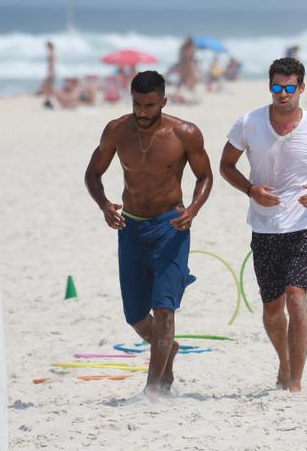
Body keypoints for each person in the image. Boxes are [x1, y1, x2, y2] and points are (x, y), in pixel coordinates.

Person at [84, 70, 213, 396]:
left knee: (165, 309)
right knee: (137, 318)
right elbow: (93, 172)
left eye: (150, 105)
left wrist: (193, 208)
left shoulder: (185, 133)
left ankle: (154, 387)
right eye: (137, 104)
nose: (142, 112)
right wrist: (103, 204)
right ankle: (168, 348)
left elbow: (205, 176)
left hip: (170, 227)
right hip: (131, 227)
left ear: (163, 101)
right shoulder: (116, 130)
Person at [219, 57, 307, 393]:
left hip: (303, 225)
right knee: (273, 310)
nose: (282, 94)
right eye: (276, 87)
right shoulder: (249, 123)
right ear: (269, 87)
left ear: (301, 88)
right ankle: (283, 364)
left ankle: (296, 381)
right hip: (264, 227)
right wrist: (251, 189)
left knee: (297, 298)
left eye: (289, 88)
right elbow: (227, 164)